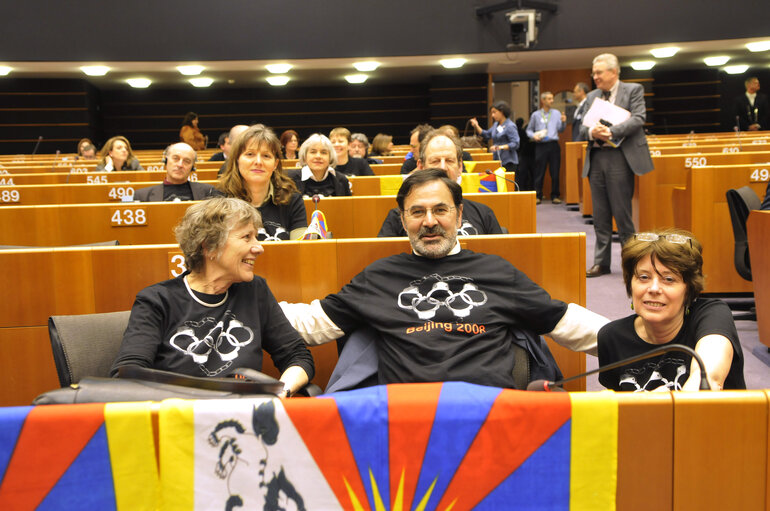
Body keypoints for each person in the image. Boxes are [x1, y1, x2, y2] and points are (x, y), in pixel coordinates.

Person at [281, 168, 606, 389]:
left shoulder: (496, 271)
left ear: (459, 214)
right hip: (406, 416)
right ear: (403, 219)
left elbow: (565, 322)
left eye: (441, 210)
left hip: (487, 411)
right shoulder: (380, 276)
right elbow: (311, 322)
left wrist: (645, 335)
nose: (430, 222)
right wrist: (248, 306)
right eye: (417, 212)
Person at [110, 197, 314, 397]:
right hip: (180, 418)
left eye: (256, 237)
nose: (259, 247)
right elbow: (129, 373)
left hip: (245, 418)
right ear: (209, 246)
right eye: (246, 237)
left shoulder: (254, 290)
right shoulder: (157, 300)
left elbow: (297, 356)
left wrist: (282, 391)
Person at [598, 229, 745, 391]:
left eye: (668, 279)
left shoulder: (712, 315)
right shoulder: (612, 337)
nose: (654, 289)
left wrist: (664, 404)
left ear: (688, 289)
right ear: (630, 284)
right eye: (644, 277)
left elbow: (709, 378)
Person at [579, 53, 654, 278]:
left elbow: (639, 118)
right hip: (597, 158)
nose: (595, 77)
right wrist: (593, 132)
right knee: (600, 215)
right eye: (593, 73)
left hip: (620, 157)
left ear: (614, 72)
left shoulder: (633, 90)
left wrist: (612, 131)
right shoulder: (592, 95)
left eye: (599, 73)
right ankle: (601, 263)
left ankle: (631, 264)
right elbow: (582, 126)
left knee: (623, 215)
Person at [378, 130, 502, 236]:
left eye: (449, 160)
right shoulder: (398, 217)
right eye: (435, 161)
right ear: (420, 167)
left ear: (459, 167)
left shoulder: (483, 214)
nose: (443, 167)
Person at [218, 125, 307, 241]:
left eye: (266, 156)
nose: (258, 162)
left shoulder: (292, 200)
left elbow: (300, 250)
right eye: (250, 154)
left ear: (275, 164)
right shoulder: (219, 200)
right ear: (237, 160)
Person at [133, 142, 219, 202]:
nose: (180, 165)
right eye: (175, 158)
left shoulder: (209, 192)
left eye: (187, 161)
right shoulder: (142, 196)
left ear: (192, 167)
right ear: (166, 161)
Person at [526, 92, 566, 204]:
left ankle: (555, 196)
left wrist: (563, 122)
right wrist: (533, 136)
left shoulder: (557, 113)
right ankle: (538, 195)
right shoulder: (536, 115)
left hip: (553, 145)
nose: (551, 101)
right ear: (542, 101)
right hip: (540, 145)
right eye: (549, 99)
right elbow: (529, 130)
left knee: (555, 171)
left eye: (552, 98)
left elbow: (561, 129)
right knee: (539, 171)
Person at [286, 133, 351, 197]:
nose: (318, 156)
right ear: (305, 156)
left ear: (330, 157)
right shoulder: (289, 179)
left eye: (323, 152)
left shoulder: (341, 180)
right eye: (313, 152)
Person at [469, 100, 520, 175]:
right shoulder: (496, 124)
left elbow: (516, 143)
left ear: (502, 112)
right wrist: (476, 126)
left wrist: (500, 147)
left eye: (494, 112)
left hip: (508, 161)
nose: (492, 115)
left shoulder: (510, 126)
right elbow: (486, 134)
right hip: (497, 159)